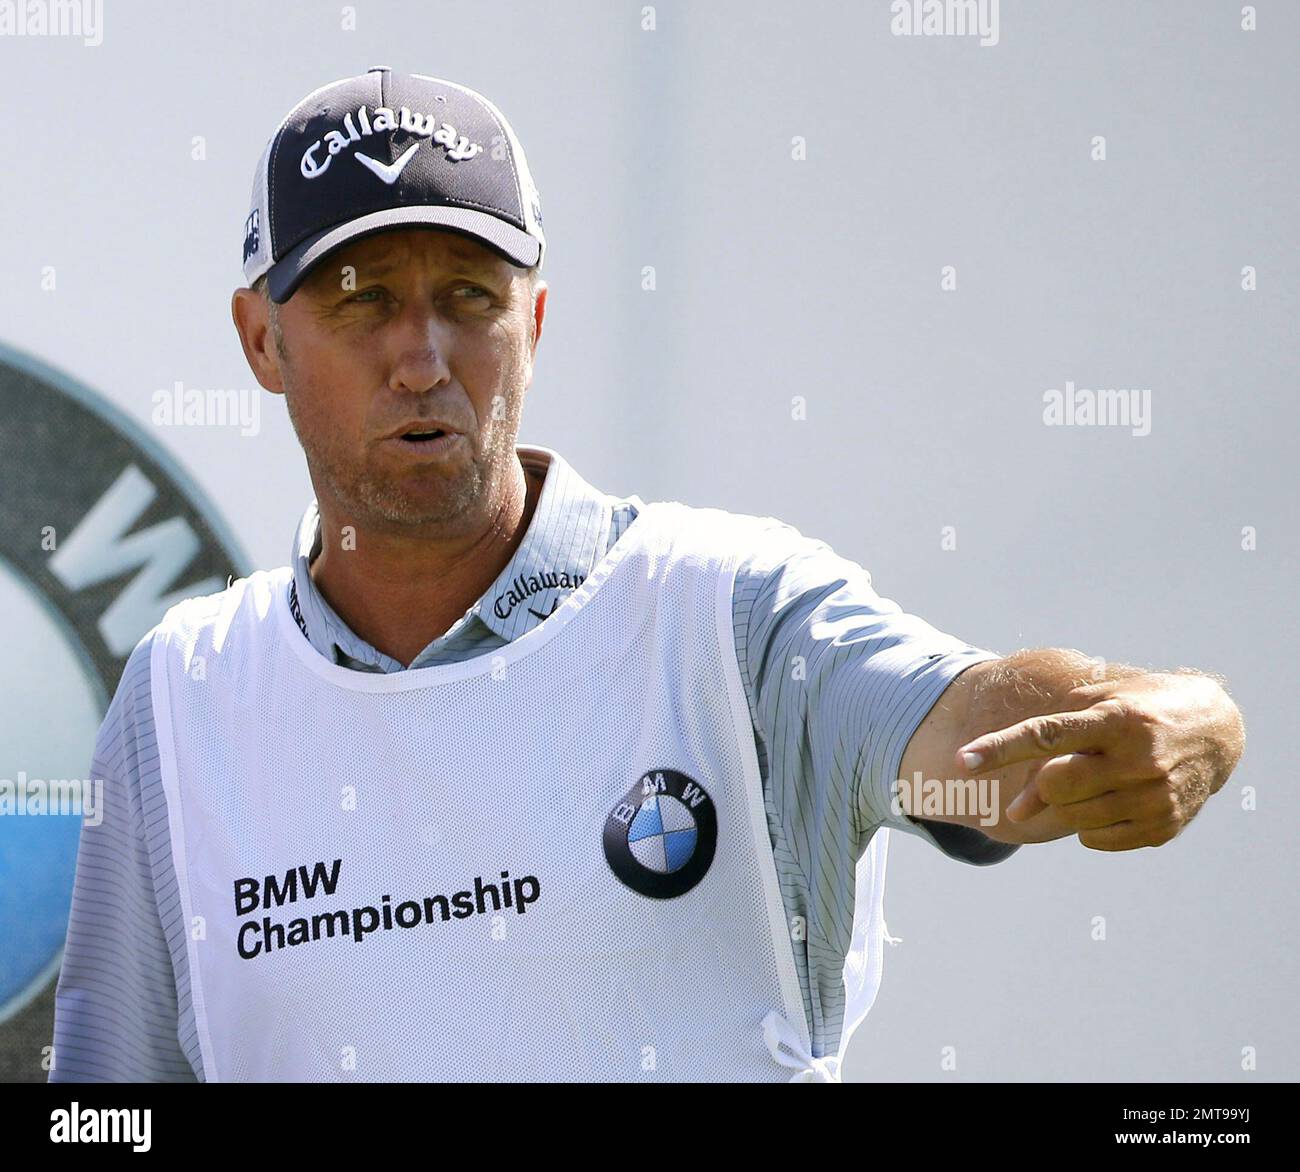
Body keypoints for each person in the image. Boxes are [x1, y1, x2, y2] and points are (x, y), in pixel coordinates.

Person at [48, 67, 1245, 1083]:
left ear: (536, 318)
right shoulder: (181, 697)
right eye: (364, 300)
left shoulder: (727, 609)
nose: (423, 359)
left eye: (469, 297)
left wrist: (1174, 712)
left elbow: (967, 728)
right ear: (261, 339)